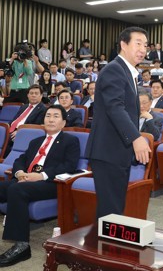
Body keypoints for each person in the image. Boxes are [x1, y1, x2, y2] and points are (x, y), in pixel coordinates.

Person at [0, 105, 80, 267]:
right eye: (48, 115)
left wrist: (41, 176)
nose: (50, 119)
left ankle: (22, 245)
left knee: (17, 189)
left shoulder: (70, 141)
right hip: (26, 180)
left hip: (51, 183)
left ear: (63, 122)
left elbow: (69, 166)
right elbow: (20, 160)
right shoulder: (36, 141)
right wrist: (19, 173)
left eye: (56, 116)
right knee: (7, 186)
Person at [85, 27, 151, 219]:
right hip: (108, 151)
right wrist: (136, 138)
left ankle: (106, 246)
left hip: (116, 151)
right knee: (110, 210)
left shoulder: (128, 71)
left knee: (113, 208)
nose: (143, 49)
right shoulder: (114, 69)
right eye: (138, 43)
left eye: (145, 45)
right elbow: (115, 108)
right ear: (123, 44)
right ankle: (105, 248)